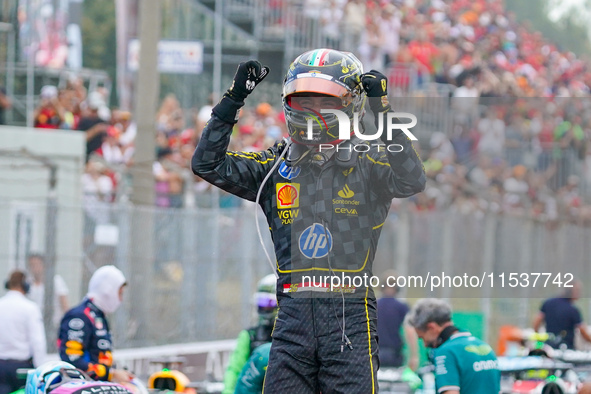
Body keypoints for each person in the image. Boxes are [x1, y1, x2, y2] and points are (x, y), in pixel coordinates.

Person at [192, 48, 425, 392]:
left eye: (323, 101)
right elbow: (207, 165)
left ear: (350, 103)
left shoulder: (369, 161)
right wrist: (234, 98)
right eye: (304, 101)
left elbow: (412, 179)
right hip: (291, 319)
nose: (313, 111)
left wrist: (383, 111)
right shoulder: (274, 165)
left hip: (350, 318)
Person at [406, 298, 501, 394]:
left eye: (422, 337)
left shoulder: (446, 352)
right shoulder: (485, 347)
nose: (425, 345)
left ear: (432, 327)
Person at [58, 265, 133, 383]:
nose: (121, 299)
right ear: (108, 291)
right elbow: (72, 362)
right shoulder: (79, 316)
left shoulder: (99, 317)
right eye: (120, 293)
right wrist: (111, 374)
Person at [222, 274, 277, 394]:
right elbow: (234, 369)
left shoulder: (293, 334)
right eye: (261, 302)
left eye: (268, 303)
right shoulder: (250, 335)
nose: (264, 308)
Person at [0, 270, 47, 394]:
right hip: (21, 368)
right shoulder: (30, 308)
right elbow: (37, 341)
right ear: (25, 285)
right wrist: (40, 369)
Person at [377, 271, 418, 370]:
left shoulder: (373, 304)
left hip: (373, 354)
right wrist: (414, 356)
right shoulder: (402, 306)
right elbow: (410, 331)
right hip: (394, 355)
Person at [533, 281, 591, 350]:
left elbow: (536, 322)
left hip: (548, 347)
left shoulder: (548, 303)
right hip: (566, 349)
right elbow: (583, 331)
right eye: (577, 291)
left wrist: (539, 340)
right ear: (572, 292)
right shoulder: (573, 310)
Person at [27, 253, 70, 328]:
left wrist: (68, 321)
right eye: (32, 265)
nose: (34, 268)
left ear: (43, 265)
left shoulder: (56, 281)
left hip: (54, 324)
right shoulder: (27, 283)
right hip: (33, 324)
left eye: (37, 264)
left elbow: (64, 303)